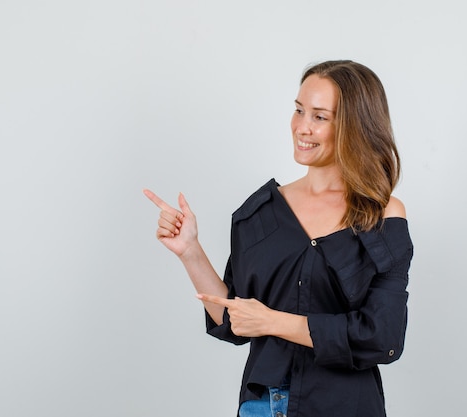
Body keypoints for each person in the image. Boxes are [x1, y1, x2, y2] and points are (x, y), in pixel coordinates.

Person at [144, 60, 413, 417]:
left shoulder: (383, 214)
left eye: (320, 116)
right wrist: (190, 251)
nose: (302, 127)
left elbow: (382, 337)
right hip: (262, 406)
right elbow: (235, 322)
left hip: (345, 406)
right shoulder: (260, 212)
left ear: (354, 126)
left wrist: (273, 321)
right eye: (299, 110)